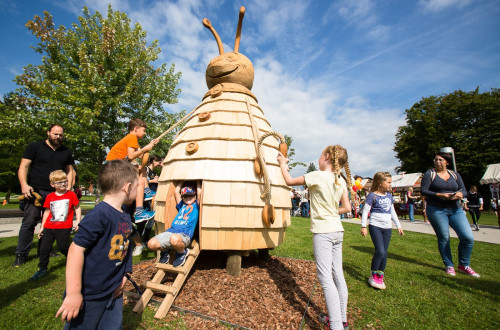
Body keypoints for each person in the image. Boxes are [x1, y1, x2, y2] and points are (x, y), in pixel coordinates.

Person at [56, 160, 138, 328]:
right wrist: (73, 293)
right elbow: (75, 250)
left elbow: (126, 247)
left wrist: (125, 275)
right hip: (89, 295)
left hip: (114, 291)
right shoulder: (99, 215)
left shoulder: (124, 215)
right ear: (127, 187)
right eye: (138, 187)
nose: (140, 191)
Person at [278, 145, 352, 330]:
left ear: (326, 157)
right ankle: (342, 320)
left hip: (324, 232)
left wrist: (282, 163)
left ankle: (335, 326)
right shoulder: (339, 180)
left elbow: (288, 181)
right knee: (338, 277)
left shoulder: (316, 176)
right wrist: (330, 211)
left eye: (320, 155)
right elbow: (347, 208)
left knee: (326, 278)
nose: (318, 159)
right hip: (337, 230)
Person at [14, 124, 75, 268]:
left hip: (56, 194)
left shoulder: (66, 151)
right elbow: (24, 166)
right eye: (55, 134)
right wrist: (24, 185)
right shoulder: (35, 147)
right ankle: (21, 254)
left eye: (60, 135)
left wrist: (70, 187)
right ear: (48, 133)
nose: (58, 137)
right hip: (36, 192)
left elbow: (70, 170)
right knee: (30, 221)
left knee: (51, 223)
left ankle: (45, 250)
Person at [420, 152, 480, 277]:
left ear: (446, 162)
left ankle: (464, 265)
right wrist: (440, 195)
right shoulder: (429, 174)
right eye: (435, 160)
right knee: (444, 237)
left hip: (455, 209)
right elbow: (424, 191)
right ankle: (449, 265)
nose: (437, 162)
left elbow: (464, 190)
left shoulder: (454, 174)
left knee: (468, 237)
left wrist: (460, 195)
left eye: (440, 160)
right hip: (436, 209)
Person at [29, 170, 81, 281]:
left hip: (64, 227)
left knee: (63, 247)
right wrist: (42, 227)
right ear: (52, 184)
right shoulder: (50, 197)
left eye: (65, 181)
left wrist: (78, 221)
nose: (63, 184)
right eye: (59, 182)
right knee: (44, 249)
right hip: (49, 227)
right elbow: (47, 212)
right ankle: (42, 269)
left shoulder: (71, 195)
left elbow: (77, 207)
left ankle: (77, 261)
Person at [106, 118, 158, 222]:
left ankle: (146, 193)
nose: (144, 133)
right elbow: (130, 156)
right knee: (138, 182)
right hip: (113, 166)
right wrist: (145, 148)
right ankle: (139, 212)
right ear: (136, 129)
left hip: (117, 165)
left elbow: (141, 155)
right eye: (143, 130)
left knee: (141, 169)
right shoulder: (132, 138)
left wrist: (151, 145)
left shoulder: (134, 140)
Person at [360, 172, 404, 290]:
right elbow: (365, 210)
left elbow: (392, 211)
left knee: (384, 252)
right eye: (388, 182)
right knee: (379, 250)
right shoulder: (372, 195)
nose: (390, 184)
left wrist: (398, 225)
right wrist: (363, 226)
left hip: (387, 227)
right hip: (375, 226)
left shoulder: (389, 196)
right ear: (380, 183)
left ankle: (380, 276)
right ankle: (373, 275)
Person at [147, 182, 200, 267]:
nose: (188, 198)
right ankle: (165, 250)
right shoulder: (181, 205)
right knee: (151, 244)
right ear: (182, 197)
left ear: (195, 196)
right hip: (171, 231)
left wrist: (197, 182)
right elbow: (176, 192)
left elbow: (199, 191)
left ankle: (182, 252)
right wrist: (182, 181)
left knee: (174, 239)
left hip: (184, 234)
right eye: (185, 196)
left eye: (191, 195)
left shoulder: (196, 206)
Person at [132, 155, 164, 256]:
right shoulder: (145, 169)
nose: (159, 164)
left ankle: (144, 240)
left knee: (150, 220)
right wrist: (153, 181)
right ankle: (138, 241)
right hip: (144, 198)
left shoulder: (154, 173)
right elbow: (140, 180)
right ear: (154, 161)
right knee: (141, 221)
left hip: (152, 198)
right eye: (159, 162)